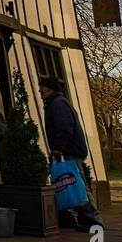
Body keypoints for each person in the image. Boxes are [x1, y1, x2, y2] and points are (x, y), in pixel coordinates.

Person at [38, 76, 102, 231]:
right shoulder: (58, 103)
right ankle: (84, 218)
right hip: (69, 149)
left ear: (49, 89)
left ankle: (93, 220)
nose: (40, 90)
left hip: (69, 151)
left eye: (42, 87)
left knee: (79, 185)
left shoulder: (58, 104)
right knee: (74, 184)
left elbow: (65, 127)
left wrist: (59, 147)